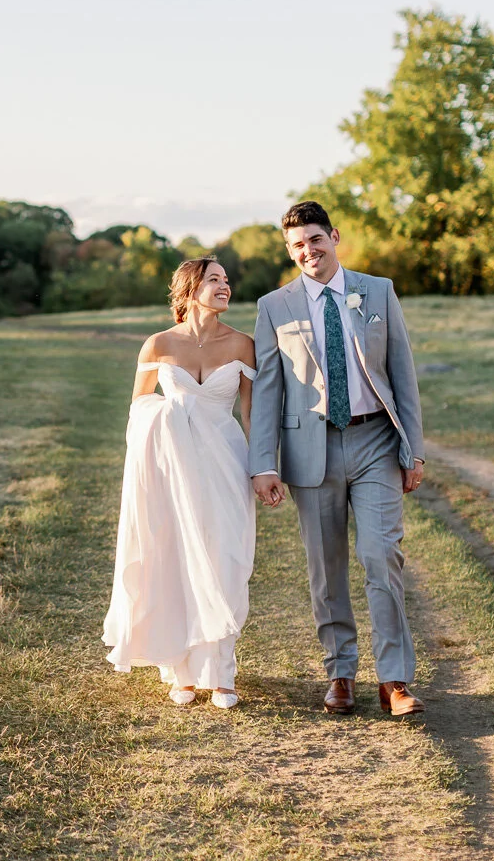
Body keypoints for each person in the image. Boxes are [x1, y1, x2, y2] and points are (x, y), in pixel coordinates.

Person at [248, 201, 427, 717]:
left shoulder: (378, 291)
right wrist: (264, 462)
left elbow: (403, 375)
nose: (308, 251)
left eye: (316, 240)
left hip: (375, 444)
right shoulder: (273, 306)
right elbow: (267, 390)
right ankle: (340, 672)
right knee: (325, 568)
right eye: (297, 245)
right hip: (312, 448)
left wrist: (412, 449)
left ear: (335, 237)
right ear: (289, 250)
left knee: (381, 556)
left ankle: (394, 680)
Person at [103, 256, 262, 708]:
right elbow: (138, 410)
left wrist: (262, 467)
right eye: (215, 279)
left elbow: (251, 414)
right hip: (171, 467)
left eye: (227, 280)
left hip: (225, 463)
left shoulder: (242, 345)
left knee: (225, 558)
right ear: (190, 288)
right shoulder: (156, 345)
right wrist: (165, 423)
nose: (225, 286)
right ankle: (182, 671)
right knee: (173, 559)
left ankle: (222, 671)